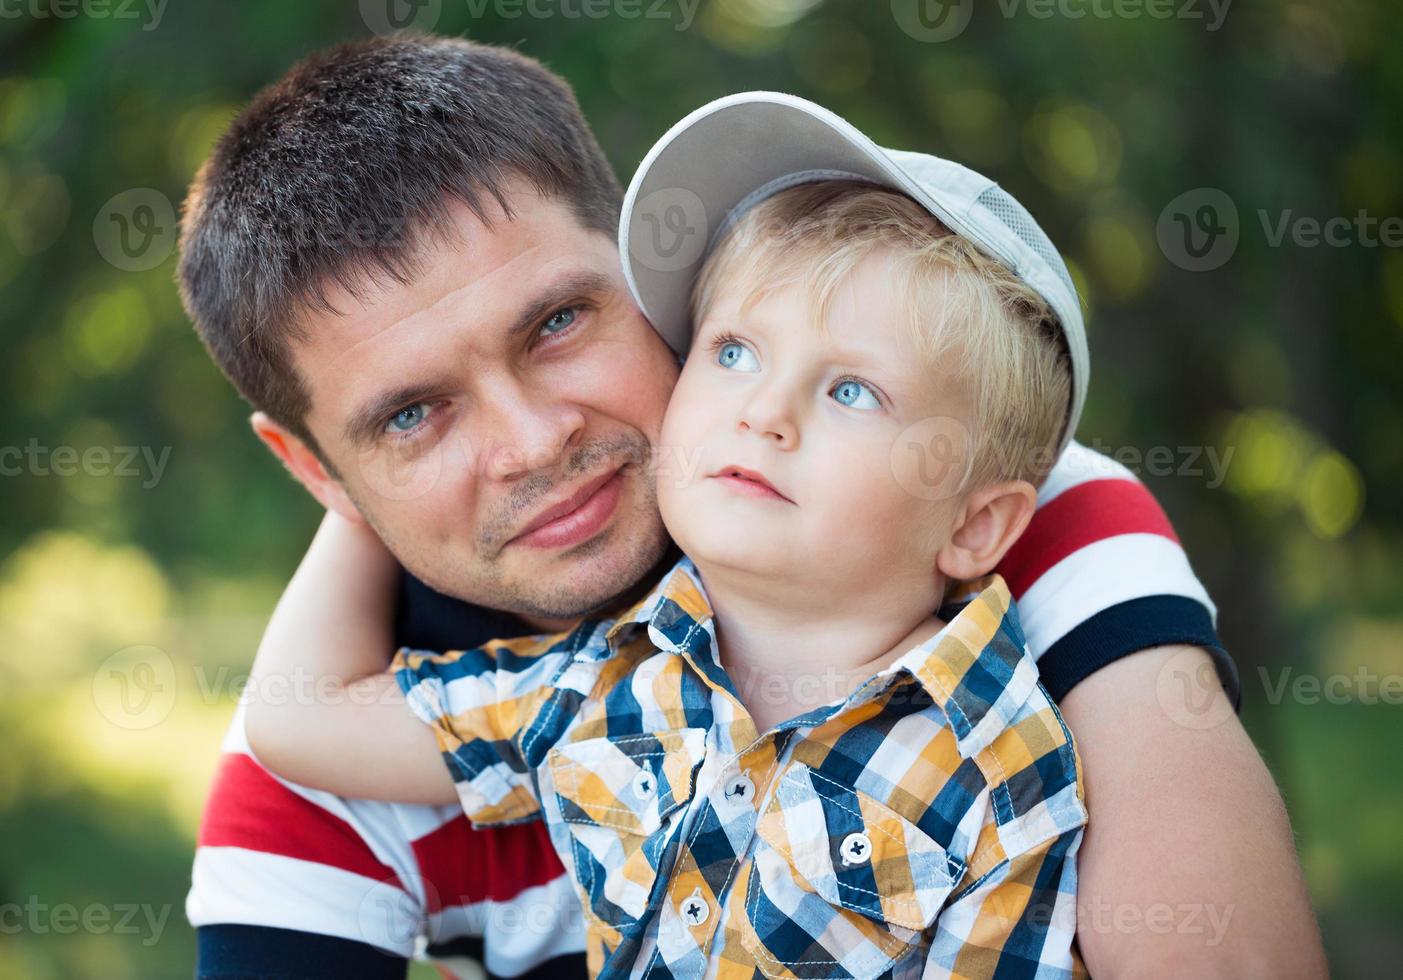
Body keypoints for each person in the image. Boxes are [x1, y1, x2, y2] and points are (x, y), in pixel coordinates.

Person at [178, 34, 1325, 980]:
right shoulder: (366, 762)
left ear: (643, 265)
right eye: (409, 413)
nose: (536, 442)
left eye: (557, 322)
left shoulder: (1009, 517)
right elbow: (302, 716)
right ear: (316, 468)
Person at [245, 132, 1091, 974]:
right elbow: (298, 716)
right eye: (733, 352)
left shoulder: (1003, 769)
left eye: (851, 391)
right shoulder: (599, 684)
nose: (763, 411)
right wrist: (353, 486)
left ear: (976, 525)